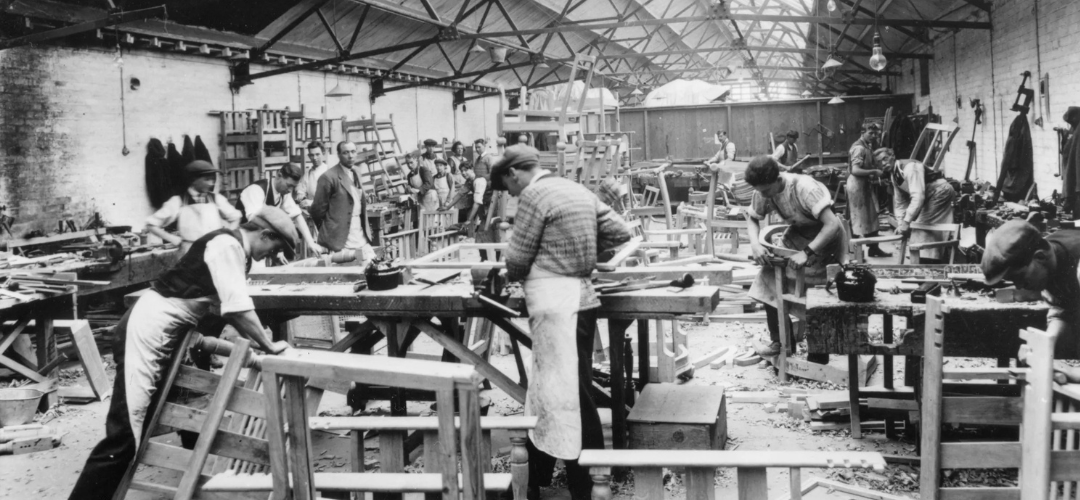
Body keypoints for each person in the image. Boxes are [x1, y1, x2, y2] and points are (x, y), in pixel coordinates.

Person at [68, 207, 299, 500]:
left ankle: (194, 483)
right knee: (125, 437)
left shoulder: (234, 249)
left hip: (164, 334)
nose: (270, 256)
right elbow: (237, 309)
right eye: (274, 248)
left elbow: (224, 308)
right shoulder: (228, 245)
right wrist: (268, 344)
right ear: (265, 234)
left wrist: (255, 342)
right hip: (146, 331)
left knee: (170, 414)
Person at [491, 145, 632, 500]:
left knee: (569, 395)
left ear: (513, 173)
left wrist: (510, 273)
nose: (512, 194)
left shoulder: (534, 194)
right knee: (554, 390)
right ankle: (541, 474)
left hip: (556, 303)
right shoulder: (574, 188)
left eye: (509, 188)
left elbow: (517, 259)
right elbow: (620, 232)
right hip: (582, 300)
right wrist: (579, 250)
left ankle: (587, 485)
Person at [743, 155, 847, 360]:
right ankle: (782, 342)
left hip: (826, 239)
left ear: (778, 179)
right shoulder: (763, 190)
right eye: (759, 191)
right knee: (768, 279)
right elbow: (753, 218)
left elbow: (832, 224)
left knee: (817, 295)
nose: (762, 195)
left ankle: (818, 356)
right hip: (798, 234)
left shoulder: (804, 188)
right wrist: (755, 244)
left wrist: (807, 252)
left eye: (766, 190)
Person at [982, 219, 1080, 381]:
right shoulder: (1050, 257)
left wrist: (1072, 371)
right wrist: (1044, 345)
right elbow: (1063, 311)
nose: (1019, 286)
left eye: (1020, 276)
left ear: (1040, 257)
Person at [874, 147, 957, 263]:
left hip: (940, 192)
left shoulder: (910, 168)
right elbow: (900, 202)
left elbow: (918, 197)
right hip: (929, 195)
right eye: (879, 162)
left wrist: (906, 222)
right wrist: (901, 223)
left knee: (921, 226)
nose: (883, 163)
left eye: (885, 159)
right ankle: (925, 259)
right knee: (921, 227)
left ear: (893, 156)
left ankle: (927, 262)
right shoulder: (894, 175)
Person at [145, 160, 241, 255]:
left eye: (212, 180)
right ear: (193, 180)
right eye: (207, 179)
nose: (211, 183)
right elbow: (151, 224)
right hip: (189, 251)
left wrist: (226, 235)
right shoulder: (178, 201)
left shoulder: (216, 199)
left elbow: (236, 217)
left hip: (214, 250)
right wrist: (174, 239)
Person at [235, 162, 323, 257]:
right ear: (279, 175)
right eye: (288, 185)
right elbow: (253, 218)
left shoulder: (283, 194)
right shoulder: (256, 189)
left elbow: (297, 216)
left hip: (258, 242)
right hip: (240, 240)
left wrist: (310, 242)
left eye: (293, 187)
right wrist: (279, 235)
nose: (290, 190)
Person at [310, 141, 376, 267]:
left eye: (353, 152)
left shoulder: (356, 172)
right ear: (338, 155)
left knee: (368, 265)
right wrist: (330, 230)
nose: (350, 156)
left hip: (359, 232)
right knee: (347, 268)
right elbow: (317, 211)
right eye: (346, 152)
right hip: (341, 237)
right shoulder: (328, 177)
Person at [846, 123, 890, 258]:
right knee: (857, 219)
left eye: (875, 133)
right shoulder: (859, 148)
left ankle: (873, 249)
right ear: (862, 132)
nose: (873, 136)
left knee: (872, 217)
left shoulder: (867, 146)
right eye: (870, 133)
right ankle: (854, 253)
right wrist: (874, 172)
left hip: (864, 184)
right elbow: (855, 170)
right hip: (856, 186)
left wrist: (875, 178)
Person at [442, 160, 486, 226]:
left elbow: (477, 202)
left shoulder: (479, 180)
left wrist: (469, 220)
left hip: (490, 204)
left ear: (472, 169)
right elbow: (460, 194)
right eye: (461, 171)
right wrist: (448, 207)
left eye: (465, 170)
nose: (463, 173)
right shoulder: (469, 181)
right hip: (482, 203)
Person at [295, 141, 331, 210]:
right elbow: (301, 188)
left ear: (323, 154)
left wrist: (313, 202)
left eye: (317, 154)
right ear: (309, 156)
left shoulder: (329, 171)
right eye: (312, 155)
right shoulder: (308, 173)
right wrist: (300, 195)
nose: (314, 158)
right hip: (312, 210)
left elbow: (332, 198)